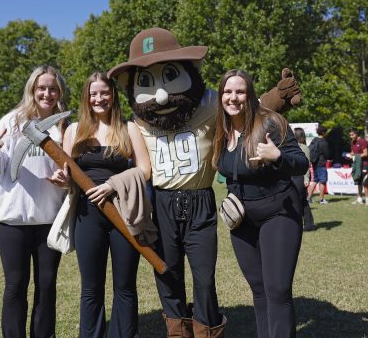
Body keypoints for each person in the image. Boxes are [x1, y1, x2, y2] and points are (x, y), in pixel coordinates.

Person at [107, 27, 301, 336]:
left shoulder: (209, 103)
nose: (159, 94)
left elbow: (242, 109)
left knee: (204, 277)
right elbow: (111, 143)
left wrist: (276, 97)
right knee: (167, 273)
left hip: (200, 199)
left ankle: (207, 329)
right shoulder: (139, 122)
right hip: (163, 201)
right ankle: (177, 331)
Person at [48, 72, 153, 338]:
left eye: (104, 92)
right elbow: (69, 174)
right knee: (91, 288)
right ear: (86, 97)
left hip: (124, 213)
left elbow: (145, 170)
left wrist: (113, 185)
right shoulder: (74, 130)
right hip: (87, 216)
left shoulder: (128, 129)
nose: (99, 98)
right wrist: (63, 179)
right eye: (93, 93)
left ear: (113, 95)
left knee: (125, 285)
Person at [212, 69, 308, 338]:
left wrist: (278, 156)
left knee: (277, 290)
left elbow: (301, 163)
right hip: (242, 220)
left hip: (279, 212)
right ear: (221, 97)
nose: (234, 98)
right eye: (228, 92)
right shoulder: (222, 129)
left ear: (250, 94)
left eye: (240, 91)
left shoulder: (270, 123)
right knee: (259, 289)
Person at [0, 65, 69, 338]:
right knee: (15, 285)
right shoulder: (12, 122)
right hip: (11, 221)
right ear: (32, 89)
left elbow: (72, 170)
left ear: (60, 92)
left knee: (47, 284)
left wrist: (67, 180)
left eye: (53, 88)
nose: (47, 93)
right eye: (42, 87)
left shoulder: (63, 126)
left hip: (50, 221)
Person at [294, 128, 317, 232]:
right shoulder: (299, 147)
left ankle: (303, 224)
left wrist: (306, 178)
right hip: (296, 177)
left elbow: (306, 164)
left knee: (299, 201)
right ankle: (309, 224)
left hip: (300, 178)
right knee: (303, 202)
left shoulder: (304, 148)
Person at [307, 125, 330, 205]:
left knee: (314, 180)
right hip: (321, 163)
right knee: (322, 181)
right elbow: (327, 154)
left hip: (314, 163)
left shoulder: (314, 140)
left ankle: (308, 198)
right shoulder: (323, 142)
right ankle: (321, 199)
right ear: (323, 132)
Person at [346, 128, 368, 206]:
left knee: (365, 182)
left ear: (357, 134)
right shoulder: (353, 142)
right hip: (356, 164)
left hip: (364, 164)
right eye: (350, 135)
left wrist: (356, 157)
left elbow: (365, 154)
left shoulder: (362, 141)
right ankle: (359, 199)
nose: (351, 136)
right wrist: (348, 155)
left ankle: (367, 199)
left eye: (352, 135)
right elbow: (353, 152)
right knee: (358, 181)